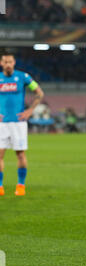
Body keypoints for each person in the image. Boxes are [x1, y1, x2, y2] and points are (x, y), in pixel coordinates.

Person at [0, 52, 44, 196]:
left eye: (10, 62)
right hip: (2, 123)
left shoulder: (23, 77)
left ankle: (20, 185)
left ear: (14, 63)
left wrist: (30, 110)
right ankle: (0, 186)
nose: (8, 64)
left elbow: (39, 93)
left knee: (20, 154)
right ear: (1, 63)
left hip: (18, 123)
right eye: (5, 62)